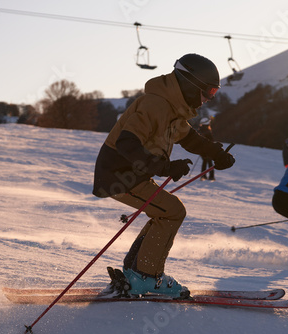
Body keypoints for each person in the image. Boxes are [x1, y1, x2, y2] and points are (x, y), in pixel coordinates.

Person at [92, 53, 235, 298]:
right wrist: (164, 167)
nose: (207, 99)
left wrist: (216, 154)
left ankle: (135, 272)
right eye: (208, 92)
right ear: (191, 85)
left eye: (214, 93)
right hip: (119, 175)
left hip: (128, 174)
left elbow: (190, 139)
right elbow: (127, 143)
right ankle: (146, 276)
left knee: (163, 211)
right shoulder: (155, 104)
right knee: (173, 211)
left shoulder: (172, 108)